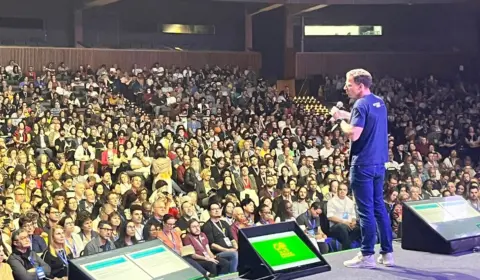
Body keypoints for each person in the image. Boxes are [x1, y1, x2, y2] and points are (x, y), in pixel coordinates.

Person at [334, 68, 393, 268]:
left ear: (360, 86)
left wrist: (341, 121)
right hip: (379, 163)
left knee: (365, 211)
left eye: (348, 84)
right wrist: (347, 114)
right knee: (379, 208)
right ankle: (387, 253)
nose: (345, 87)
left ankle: (367, 255)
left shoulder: (360, 104)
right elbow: (366, 119)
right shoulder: (379, 102)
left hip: (363, 165)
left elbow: (354, 134)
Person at [202, 202, 238, 273]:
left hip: (230, 249)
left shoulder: (224, 223)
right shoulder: (207, 226)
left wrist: (236, 247)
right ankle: (233, 277)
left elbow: (232, 239)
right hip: (218, 253)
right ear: (209, 211)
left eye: (218, 208)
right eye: (214, 209)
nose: (217, 210)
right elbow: (212, 245)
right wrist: (227, 250)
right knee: (234, 254)